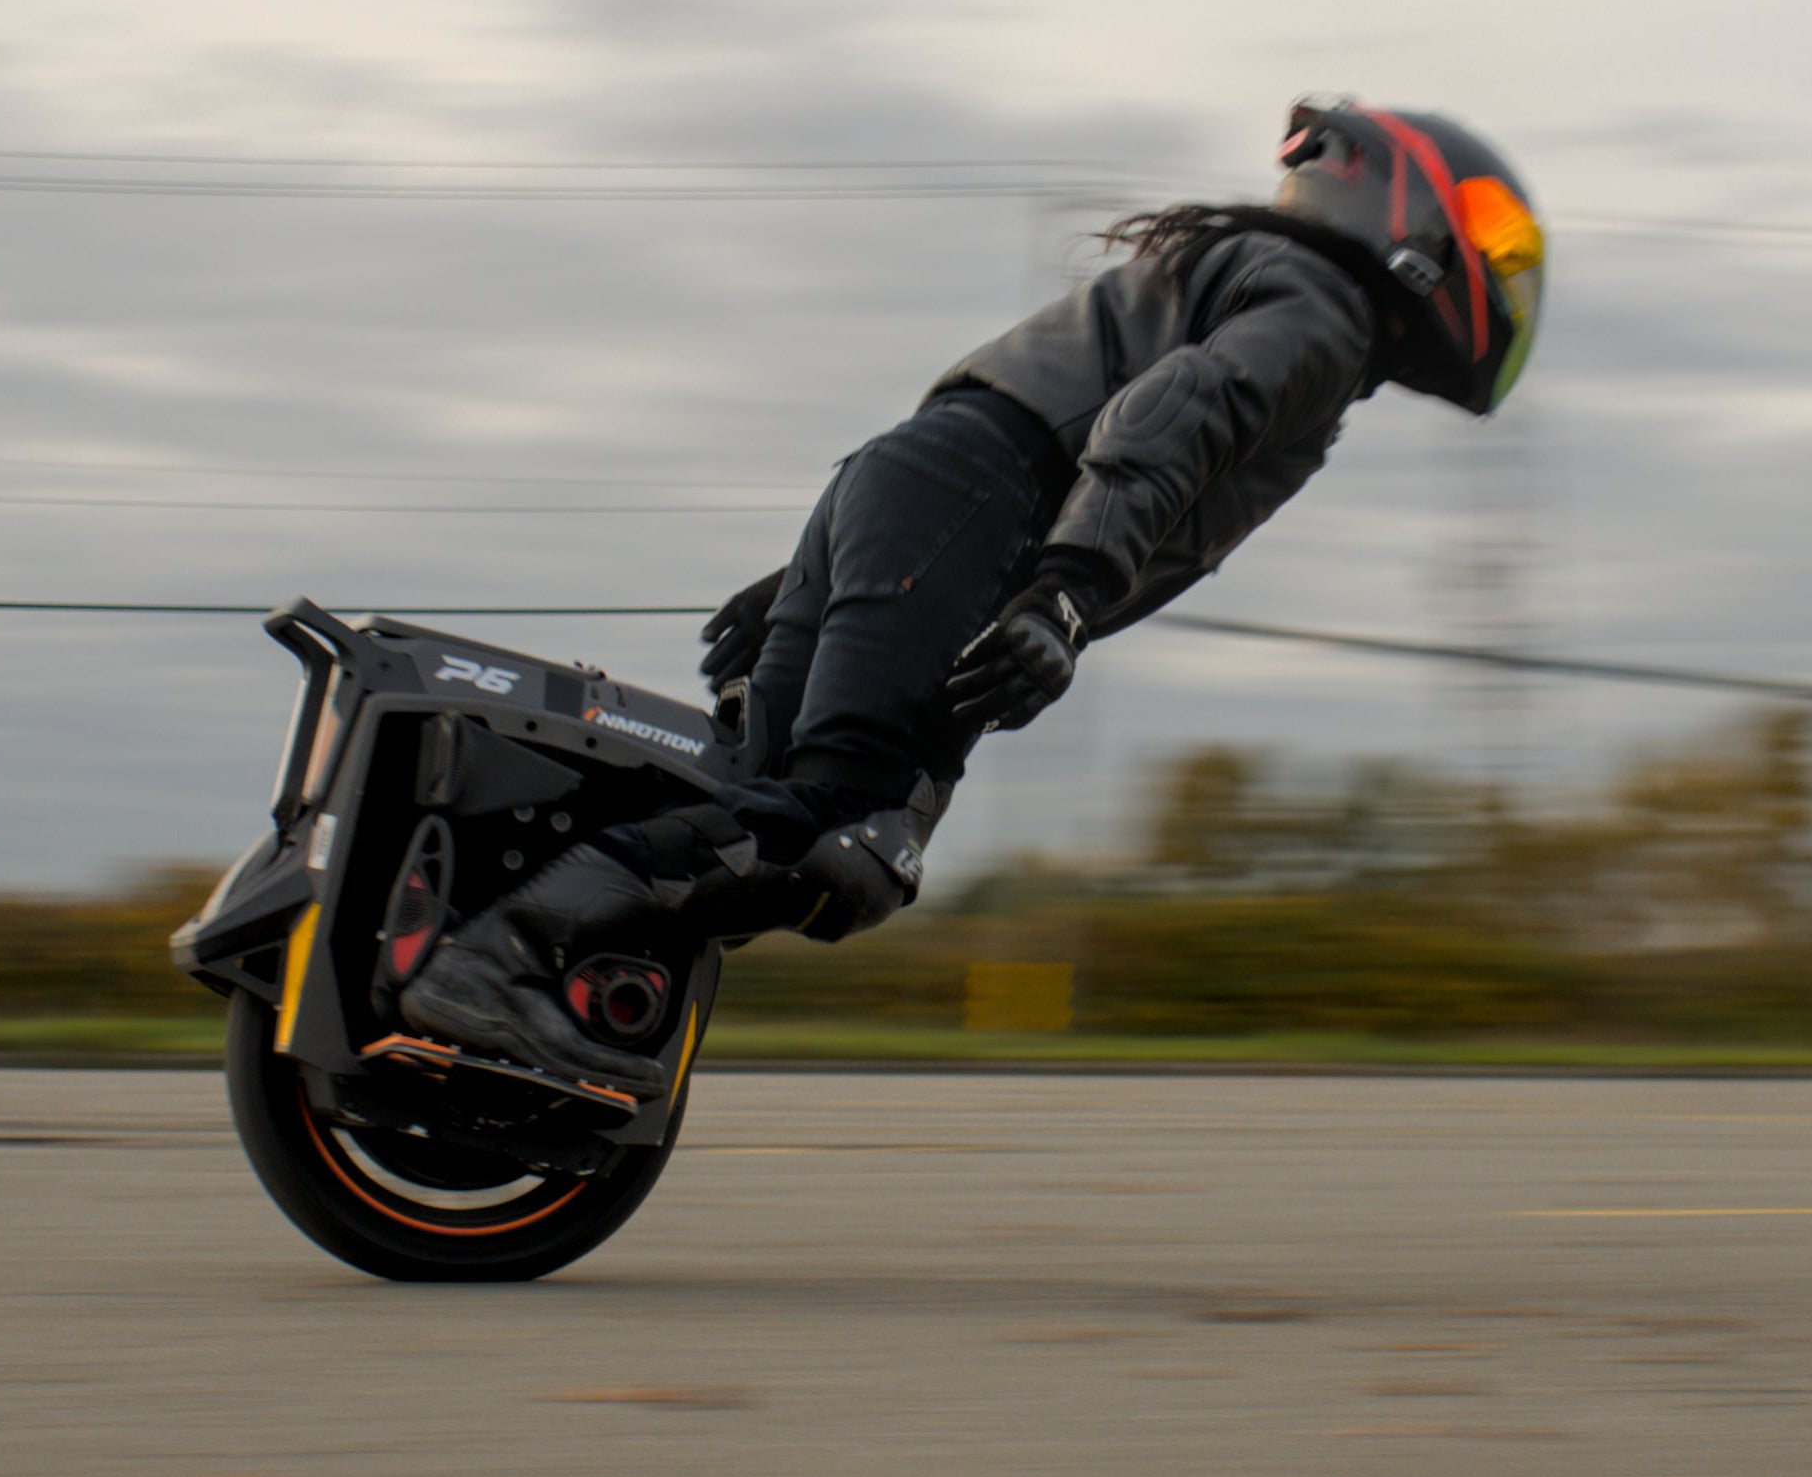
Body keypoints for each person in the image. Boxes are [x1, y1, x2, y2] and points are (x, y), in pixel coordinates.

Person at [399, 98, 1546, 1092]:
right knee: (837, 835)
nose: (1503, 270)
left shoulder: (1256, 281)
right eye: (1493, 238)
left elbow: (975, 428)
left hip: (910, 496)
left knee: (790, 818)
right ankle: (491, 963)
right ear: (1413, 218)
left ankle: (496, 951)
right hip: (970, 515)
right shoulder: (1323, 313)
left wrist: (830, 574)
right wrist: (1063, 593)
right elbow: (1163, 414)